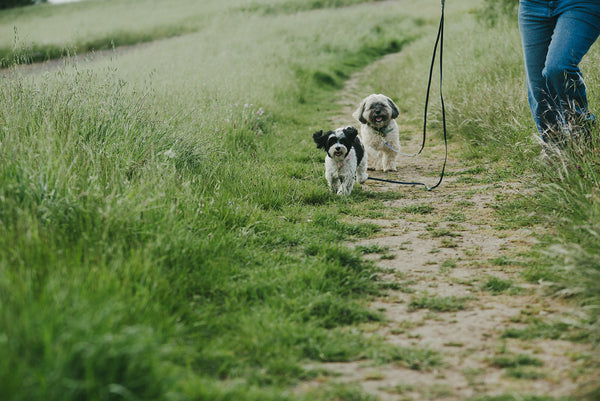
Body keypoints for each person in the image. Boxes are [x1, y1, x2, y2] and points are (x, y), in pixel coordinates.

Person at [518, 0, 600, 149]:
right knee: (538, 86)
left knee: (558, 67)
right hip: (533, 5)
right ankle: (556, 153)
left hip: (581, 3)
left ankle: (585, 140)